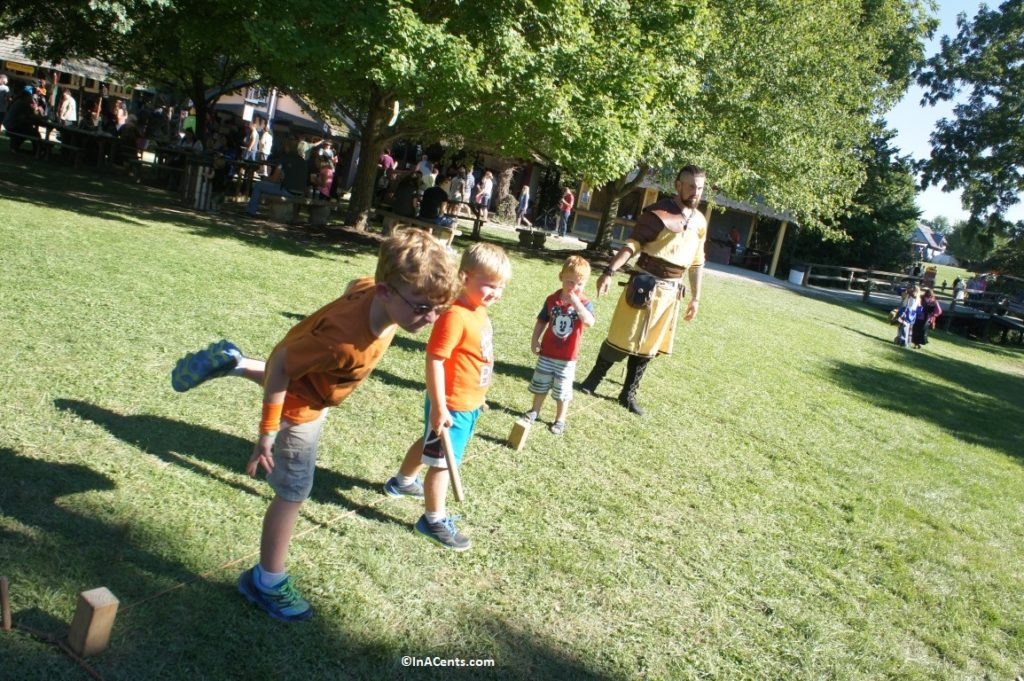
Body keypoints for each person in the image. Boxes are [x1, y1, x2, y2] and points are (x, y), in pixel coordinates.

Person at [169, 230, 459, 621]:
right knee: (293, 491)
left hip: (313, 376)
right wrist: (267, 434)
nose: (432, 318)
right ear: (387, 292)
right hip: (301, 404)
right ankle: (266, 580)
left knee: (300, 374)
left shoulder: (375, 292)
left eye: (440, 308)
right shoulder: (340, 342)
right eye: (424, 308)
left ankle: (235, 362)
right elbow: (283, 370)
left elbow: (354, 285)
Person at [384, 243, 512, 551]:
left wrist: (478, 394)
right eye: (490, 285)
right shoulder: (455, 315)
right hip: (451, 405)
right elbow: (435, 359)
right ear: (466, 277)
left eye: (501, 287)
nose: (496, 292)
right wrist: (440, 406)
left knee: (430, 442)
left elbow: (472, 359)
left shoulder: (478, 309)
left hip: (467, 403)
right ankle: (433, 520)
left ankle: (401, 482)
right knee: (442, 464)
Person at [578, 165, 708, 415]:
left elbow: (697, 262)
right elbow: (632, 246)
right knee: (621, 336)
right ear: (678, 185)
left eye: (700, 188)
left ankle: (628, 394)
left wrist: (696, 298)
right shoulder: (657, 213)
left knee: (649, 344)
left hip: (671, 292)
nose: (695, 192)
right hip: (644, 284)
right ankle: (592, 381)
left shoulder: (700, 222)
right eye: (691, 186)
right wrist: (609, 271)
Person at [523, 256, 596, 435]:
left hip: (567, 358)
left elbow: (589, 322)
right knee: (541, 383)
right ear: (561, 277)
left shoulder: (585, 303)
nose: (574, 287)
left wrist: (576, 303)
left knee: (562, 390)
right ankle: (534, 411)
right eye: (570, 282)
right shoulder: (551, 299)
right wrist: (535, 340)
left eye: (580, 284)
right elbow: (542, 321)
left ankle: (560, 419)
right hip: (547, 353)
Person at [246, 138, 308, 216]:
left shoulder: (284, 158)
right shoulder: (303, 161)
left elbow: (274, 179)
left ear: (286, 147)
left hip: (288, 190)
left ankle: (250, 211)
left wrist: (265, 179)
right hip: (300, 192)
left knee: (258, 185)